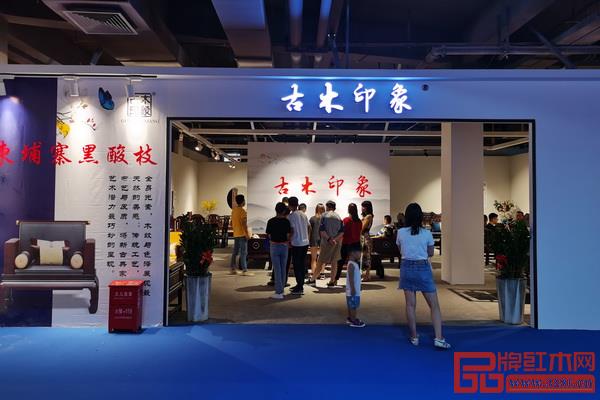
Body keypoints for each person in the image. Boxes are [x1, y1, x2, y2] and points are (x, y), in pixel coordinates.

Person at [396, 203, 451, 350]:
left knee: (410, 305)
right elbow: (431, 252)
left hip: (406, 268)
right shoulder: (426, 233)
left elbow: (400, 250)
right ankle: (439, 338)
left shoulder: (400, 232)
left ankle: (414, 336)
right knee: (434, 305)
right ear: (420, 217)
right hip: (422, 268)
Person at [309, 200, 343, 285]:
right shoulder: (338, 217)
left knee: (320, 261)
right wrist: (335, 239)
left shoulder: (324, 216)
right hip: (337, 243)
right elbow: (342, 232)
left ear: (327, 207)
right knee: (334, 262)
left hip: (326, 243)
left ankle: (312, 280)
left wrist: (329, 239)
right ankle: (332, 281)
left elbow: (322, 231)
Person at [330, 203, 362, 287]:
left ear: (348, 210)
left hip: (346, 244)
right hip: (356, 244)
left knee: (340, 263)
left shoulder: (346, 220)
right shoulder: (359, 221)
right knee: (355, 264)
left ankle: (335, 280)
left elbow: (342, 232)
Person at [266, 202, 292, 299]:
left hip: (274, 246)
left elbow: (269, 235)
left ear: (275, 210)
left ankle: (278, 292)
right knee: (283, 268)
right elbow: (288, 235)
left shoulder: (271, 221)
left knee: (277, 269)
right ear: (284, 211)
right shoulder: (286, 222)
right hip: (284, 246)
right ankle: (281, 290)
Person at [287, 197, 310, 295]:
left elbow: (292, 230)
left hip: (296, 243)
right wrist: (307, 237)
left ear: (289, 205)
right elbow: (309, 227)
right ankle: (300, 284)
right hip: (305, 242)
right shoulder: (303, 214)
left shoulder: (291, 216)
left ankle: (300, 286)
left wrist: (288, 240)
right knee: (302, 264)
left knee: (297, 265)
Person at [229, 190, 252, 276]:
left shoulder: (234, 211)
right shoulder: (243, 211)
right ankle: (244, 270)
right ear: (243, 201)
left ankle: (232, 269)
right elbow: (244, 224)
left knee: (235, 252)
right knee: (243, 253)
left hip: (236, 234)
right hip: (242, 234)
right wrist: (247, 234)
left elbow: (231, 223)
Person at [345, 246, 366, 328]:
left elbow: (356, 278)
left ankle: (350, 318)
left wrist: (358, 286)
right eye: (359, 252)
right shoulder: (351, 265)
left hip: (353, 289)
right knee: (353, 306)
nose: (360, 254)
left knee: (351, 305)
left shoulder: (353, 264)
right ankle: (353, 320)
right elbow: (351, 278)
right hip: (352, 290)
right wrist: (353, 289)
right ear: (352, 253)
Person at [309, 203, 325, 278]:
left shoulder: (312, 219)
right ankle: (322, 273)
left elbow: (310, 230)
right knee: (322, 258)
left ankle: (314, 274)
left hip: (313, 238)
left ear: (316, 209)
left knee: (313, 258)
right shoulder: (325, 219)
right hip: (323, 239)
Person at [360, 200, 374, 281]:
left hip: (365, 238)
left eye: (363, 206)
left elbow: (362, 228)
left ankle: (367, 275)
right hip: (364, 237)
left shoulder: (368, 216)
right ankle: (366, 274)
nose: (362, 208)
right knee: (364, 256)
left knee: (366, 256)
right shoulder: (368, 216)